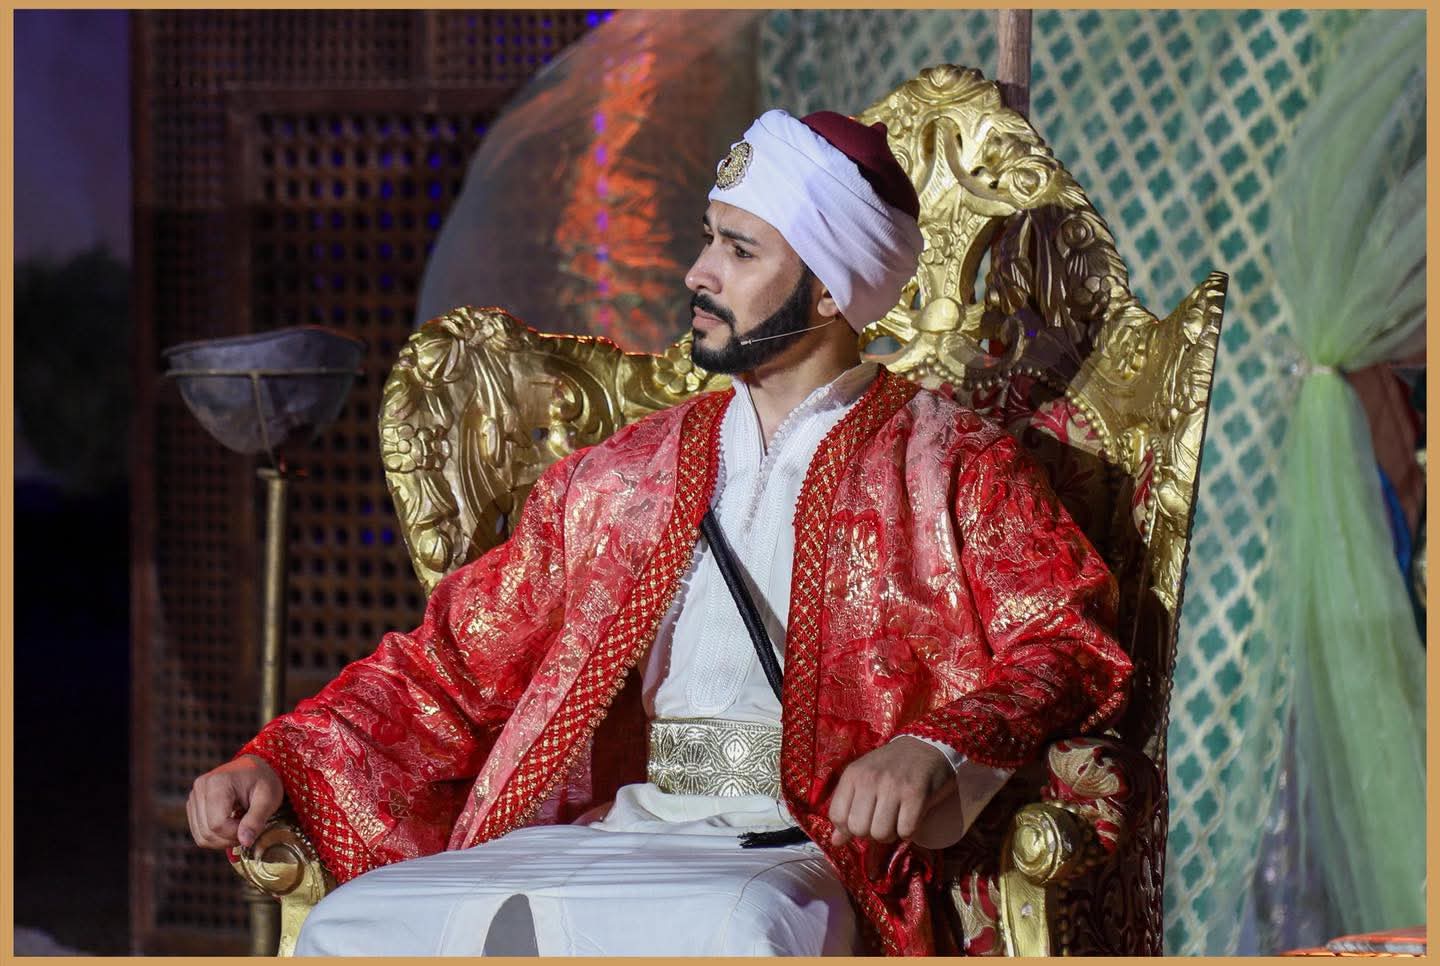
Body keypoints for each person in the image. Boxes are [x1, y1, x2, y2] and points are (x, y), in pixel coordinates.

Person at [187, 108, 1131, 956]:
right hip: (624, 826)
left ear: (830, 291)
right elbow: (454, 663)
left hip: (800, 844)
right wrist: (276, 757)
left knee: (744, 932)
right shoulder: (624, 473)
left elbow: (1067, 642)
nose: (699, 272)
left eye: (739, 250)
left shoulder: (950, 463)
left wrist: (932, 748)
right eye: (708, 239)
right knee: (356, 927)